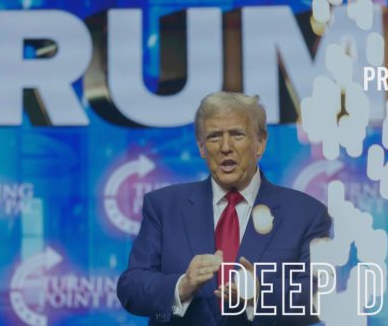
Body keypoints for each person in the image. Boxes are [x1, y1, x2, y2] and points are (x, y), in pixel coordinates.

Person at [117, 92, 331, 325]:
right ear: (200, 147)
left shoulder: (307, 214)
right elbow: (131, 287)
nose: (225, 147)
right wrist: (183, 285)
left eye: (237, 135)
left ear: (260, 143)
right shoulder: (163, 207)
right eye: (214, 136)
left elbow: (320, 296)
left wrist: (260, 295)